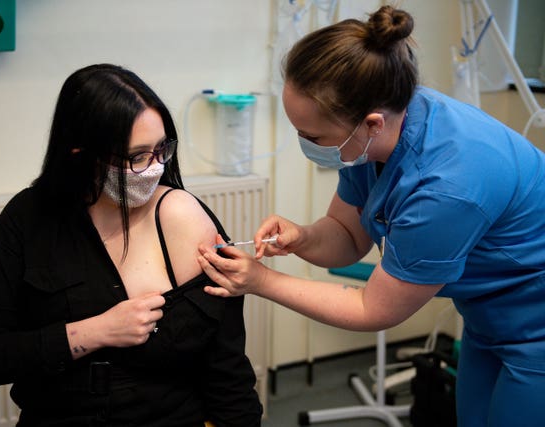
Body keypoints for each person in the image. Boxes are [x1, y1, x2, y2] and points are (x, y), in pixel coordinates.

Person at [198, 5, 545, 427]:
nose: (307, 145)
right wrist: (303, 237)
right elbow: (347, 235)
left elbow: (373, 309)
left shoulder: (446, 186)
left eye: (313, 137)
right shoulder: (376, 136)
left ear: (371, 123)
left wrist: (261, 282)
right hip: (487, 318)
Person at [0, 64, 262, 427]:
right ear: (79, 153)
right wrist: (96, 331)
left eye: (161, 149)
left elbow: (227, 372)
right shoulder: (29, 219)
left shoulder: (181, 216)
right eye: (136, 157)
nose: (154, 167)